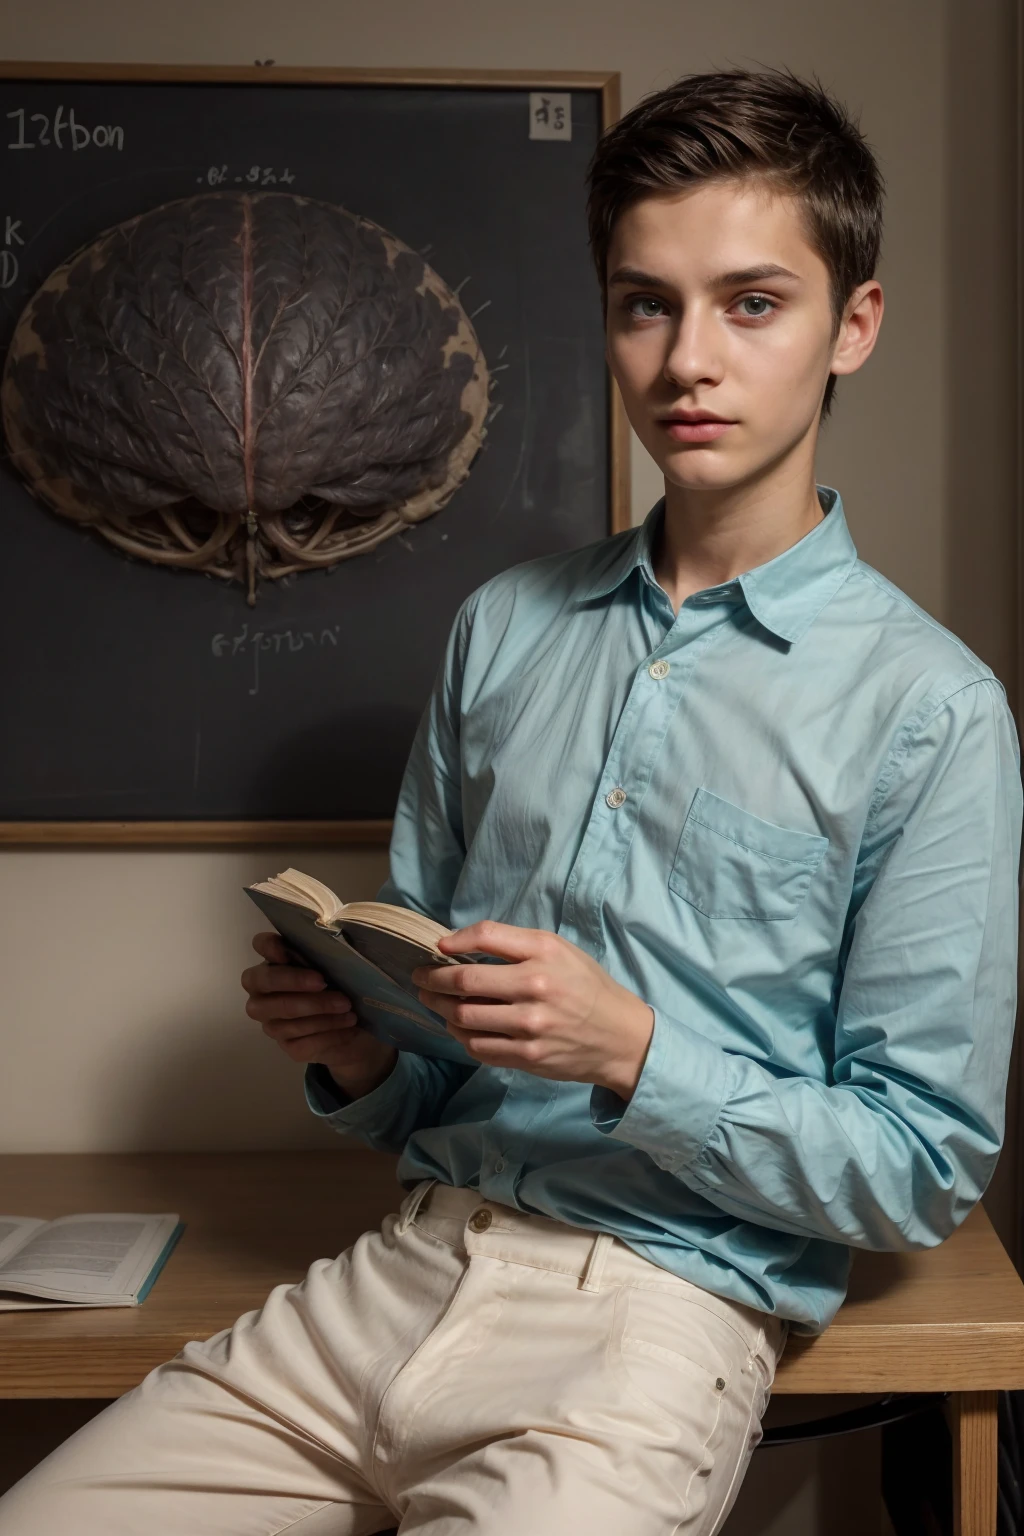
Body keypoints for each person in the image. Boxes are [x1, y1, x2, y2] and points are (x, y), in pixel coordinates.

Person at [1, 66, 1020, 1536]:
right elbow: (438, 1072)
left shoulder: (933, 712)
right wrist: (360, 1053)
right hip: (396, 1274)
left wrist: (636, 1053)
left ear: (852, 325)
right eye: (643, 304)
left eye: (752, 302)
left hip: (657, 1320)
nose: (689, 362)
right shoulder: (505, 629)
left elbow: (921, 1166)